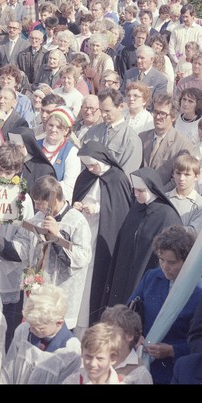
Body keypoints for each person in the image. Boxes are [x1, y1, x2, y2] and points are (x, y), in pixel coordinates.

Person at [14, 175, 91, 329]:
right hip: (38, 292)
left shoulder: (77, 221)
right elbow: (25, 244)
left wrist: (57, 236)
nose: (36, 208)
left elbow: (82, 258)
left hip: (61, 293)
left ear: (53, 201)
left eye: (39, 203)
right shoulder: (38, 217)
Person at [128, 225, 202, 384]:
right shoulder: (152, 277)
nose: (165, 267)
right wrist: (137, 335)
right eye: (161, 260)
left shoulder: (199, 292)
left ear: (187, 260)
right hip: (142, 361)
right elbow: (130, 310)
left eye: (172, 262)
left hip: (173, 369)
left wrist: (172, 350)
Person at [72, 139, 133, 329]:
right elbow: (78, 195)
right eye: (87, 165)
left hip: (103, 234)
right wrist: (77, 205)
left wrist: (98, 208)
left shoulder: (118, 178)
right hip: (84, 230)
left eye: (92, 165)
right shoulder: (86, 176)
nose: (90, 169)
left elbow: (121, 210)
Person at [103, 167, 181, 308]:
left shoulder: (167, 215)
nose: (135, 194)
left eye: (141, 191)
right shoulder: (136, 209)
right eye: (134, 189)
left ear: (152, 189)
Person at [0, 284, 81, 385]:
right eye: (31, 324)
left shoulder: (70, 350)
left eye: (40, 328)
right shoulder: (23, 330)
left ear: (59, 322)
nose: (32, 330)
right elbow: (9, 369)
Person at [168, 153, 202, 234]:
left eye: (187, 175)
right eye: (178, 173)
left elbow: (193, 232)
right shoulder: (165, 198)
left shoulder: (200, 205)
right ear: (173, 174)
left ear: (196, 177)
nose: (181, 178)